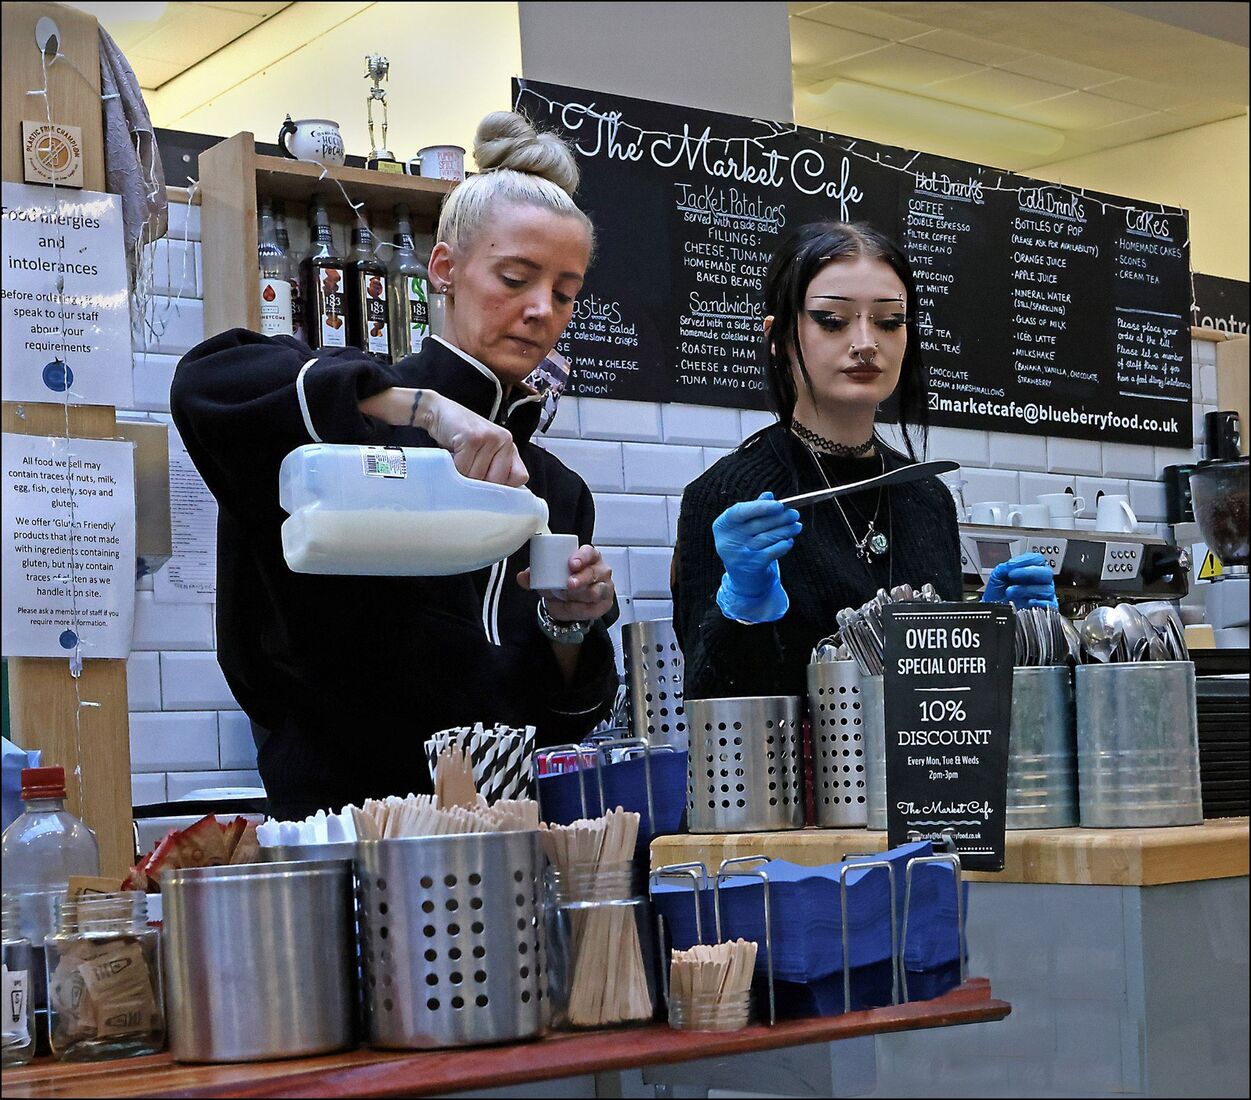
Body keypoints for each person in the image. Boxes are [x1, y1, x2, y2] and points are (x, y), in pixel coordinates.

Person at [172, 112, 619, 819]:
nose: (541, 311)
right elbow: (206, 383)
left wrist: (571, 627)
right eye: (515, 277)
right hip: (343, 832)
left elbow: (563, 719)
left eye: (564, 293)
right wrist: (428, 410)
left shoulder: (556, 491)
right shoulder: (350, 427)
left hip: (503, 836)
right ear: (443, 270)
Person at [673, 221, 1055, 699]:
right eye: (832, 320)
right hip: (794, 771)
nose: (865, 342)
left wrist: (993, 635)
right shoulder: (732, 493)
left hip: (921, 770)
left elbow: (944, 694)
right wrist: (744, 606)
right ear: (779, 338)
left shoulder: (926, 495)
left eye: (889, 321)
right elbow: (709, 698)